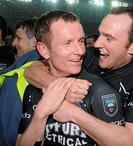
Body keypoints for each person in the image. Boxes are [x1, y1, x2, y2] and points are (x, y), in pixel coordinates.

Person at [25, 7, 133, 146]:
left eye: (108, 38)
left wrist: (73, 113)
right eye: (100, 34)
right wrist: (60, 88)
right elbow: (32, 69)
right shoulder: (89, 55)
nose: (97, 43)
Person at [16, 10, 124, 146]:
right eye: (67, 43)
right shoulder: (33, 89)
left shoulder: (101, 92)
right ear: (44, 50)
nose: (80, 51)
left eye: (81, 41)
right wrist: (40, 114)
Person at [0, 18, 41, 145]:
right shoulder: (50, 69)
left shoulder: (15, 79)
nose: (13, 43)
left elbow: (7, 134)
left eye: (18, 38)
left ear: (34, 42)